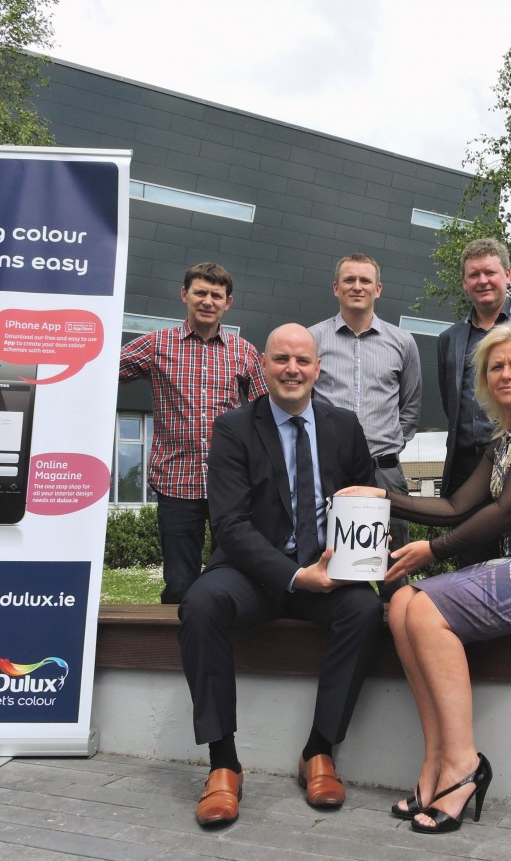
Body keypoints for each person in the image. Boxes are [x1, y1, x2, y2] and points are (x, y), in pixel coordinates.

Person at [337, 321, 511, 834]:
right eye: (495, 366)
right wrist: (382, 495)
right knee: (401, 606)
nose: (505, 373)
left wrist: (431, 551)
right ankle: (435, 761)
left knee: (427, 606)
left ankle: (463, 764)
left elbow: (508, 509)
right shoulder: (502, 440)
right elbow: (457, 504)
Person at [177, 323, 383, 827]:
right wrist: (295, 576)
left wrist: (370, 548)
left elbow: (367, 498)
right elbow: (229, 524)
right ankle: (223, 764)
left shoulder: (345, 426)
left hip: (328, 575)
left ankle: (319, 751)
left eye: (302, 361)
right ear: (263, 366)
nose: (292, 369)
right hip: (253, 576)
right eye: (281, 360)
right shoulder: (232, 428)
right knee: (200, 603)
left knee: (365, 609)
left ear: (318, 368)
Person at [119, 262, 266, 604]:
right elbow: (100, 372)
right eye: (200, 292)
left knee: (230, 575)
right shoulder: (156, 346)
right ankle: (174, 651)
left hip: (229, 483)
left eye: (216, 295)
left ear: (228, 302)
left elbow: (266, 413)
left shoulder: (243, 352)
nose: (207, 301)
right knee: (179, 582)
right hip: (175, 480)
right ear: (184, 294)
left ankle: (222, 640)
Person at [309, 253, 422, 560]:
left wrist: (391, 444)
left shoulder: (403, 342)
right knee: (328, 556)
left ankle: (395, 606)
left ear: (378, 289)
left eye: (365, 280)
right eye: (349, 280)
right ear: (336, 288)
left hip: (384, 471)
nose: (357, 287)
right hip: (328, 469)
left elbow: (410, 406)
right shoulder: (312, 339)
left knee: (393, 561)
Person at [438, 238, 511, 500]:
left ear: (508, 275)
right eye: (474, 274)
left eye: (490, 272)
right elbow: (451, 402)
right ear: (464, 283)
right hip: (465, 465)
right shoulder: (449, 339)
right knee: (468, 540)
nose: (482, 281)